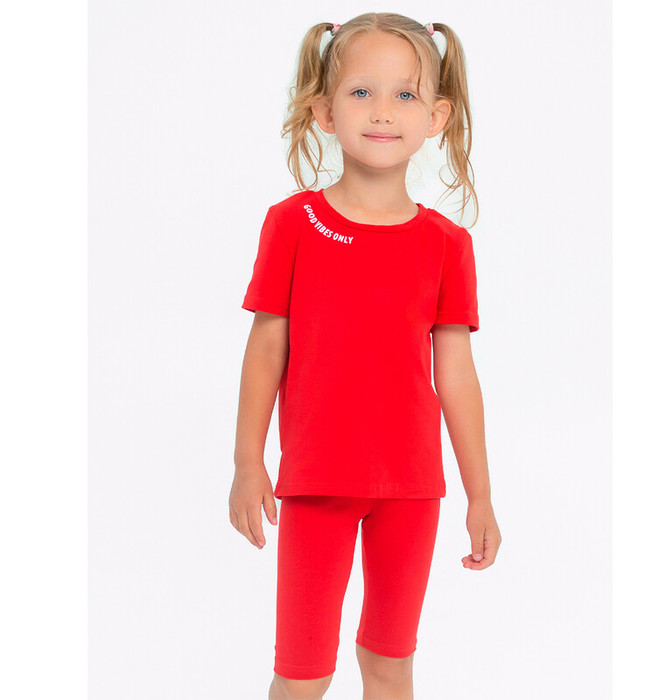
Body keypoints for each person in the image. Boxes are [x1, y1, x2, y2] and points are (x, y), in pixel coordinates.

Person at [229, 12, 502, 700]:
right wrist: (246, 460)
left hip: (411, 491)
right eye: (361, 92)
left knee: (389, 665)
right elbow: (266, 348)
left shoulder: (447, 245)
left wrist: (481, 495)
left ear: (436, 116)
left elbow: (457, 376)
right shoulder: (293, 224)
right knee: (303, 674)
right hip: (315, 484)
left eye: (405, 94)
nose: (382, 111)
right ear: (324, 110)